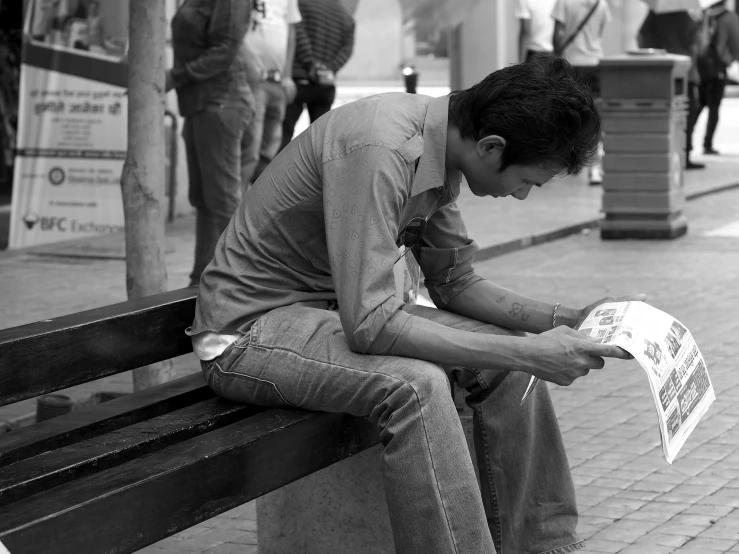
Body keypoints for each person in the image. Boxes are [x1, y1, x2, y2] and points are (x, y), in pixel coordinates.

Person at [188, 55, 643, 554]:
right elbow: (369, 325)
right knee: (417, 385)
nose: (522, 198)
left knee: (508, 364)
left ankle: (545, 546)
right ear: (492, 147)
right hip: (250, 332)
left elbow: (455, 281)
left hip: (327, 318)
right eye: (529, 181)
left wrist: (568, 320)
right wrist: (530, 353)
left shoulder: (442, 141)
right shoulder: (380, 147)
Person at [167, 0, 254, 286]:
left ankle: (234, 285)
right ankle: (201, 281)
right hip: (199, 105)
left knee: (222, 200)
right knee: (204, 200)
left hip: (220, 100)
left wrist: (176, 76)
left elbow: (224, 51)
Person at [240, 0, 302, 191]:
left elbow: (291, 33)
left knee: (270, 151)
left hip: (278, 81)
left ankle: (257, 209)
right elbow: (235, 30)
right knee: (250, 150)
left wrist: (287, 75)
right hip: (253, 80)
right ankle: (237, 209)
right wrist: (250, 66)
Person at [279, 0, 354, 150]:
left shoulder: (301, 4)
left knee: (283, 138)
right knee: (322, 143)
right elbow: (347, 50)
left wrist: (311, 63)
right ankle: (320, 173)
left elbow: (296, 33)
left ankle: (279, 172)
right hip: (325, 86)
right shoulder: (346, 15)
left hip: (298, 80)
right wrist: (328, 69)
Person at [637, 9, 706, 170]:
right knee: (686, 115)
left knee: (661, 113)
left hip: (660, 71)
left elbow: (640, 37)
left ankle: (659, 152)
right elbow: (699, 46)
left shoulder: (655, 14)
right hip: (685, 72)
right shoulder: (685, 17)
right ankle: (684, 156)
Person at [552, 0, 610, 185]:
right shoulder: (601, 4)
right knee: (595, 114)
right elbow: (599, 33)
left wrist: (558, 54)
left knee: (569, 112)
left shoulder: (564, 2)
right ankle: (595, 169)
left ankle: (571, 160)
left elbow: (556, 36)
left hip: (571, 63)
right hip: (595, 64)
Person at [693, 0, 739, 157]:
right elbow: (736, 44)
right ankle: (708, 143)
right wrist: (731, 60)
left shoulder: (704, 15)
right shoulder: (729, 17)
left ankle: (686, 143)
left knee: (699, 104)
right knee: (714, 107)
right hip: (718, 67)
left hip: (701, 67)